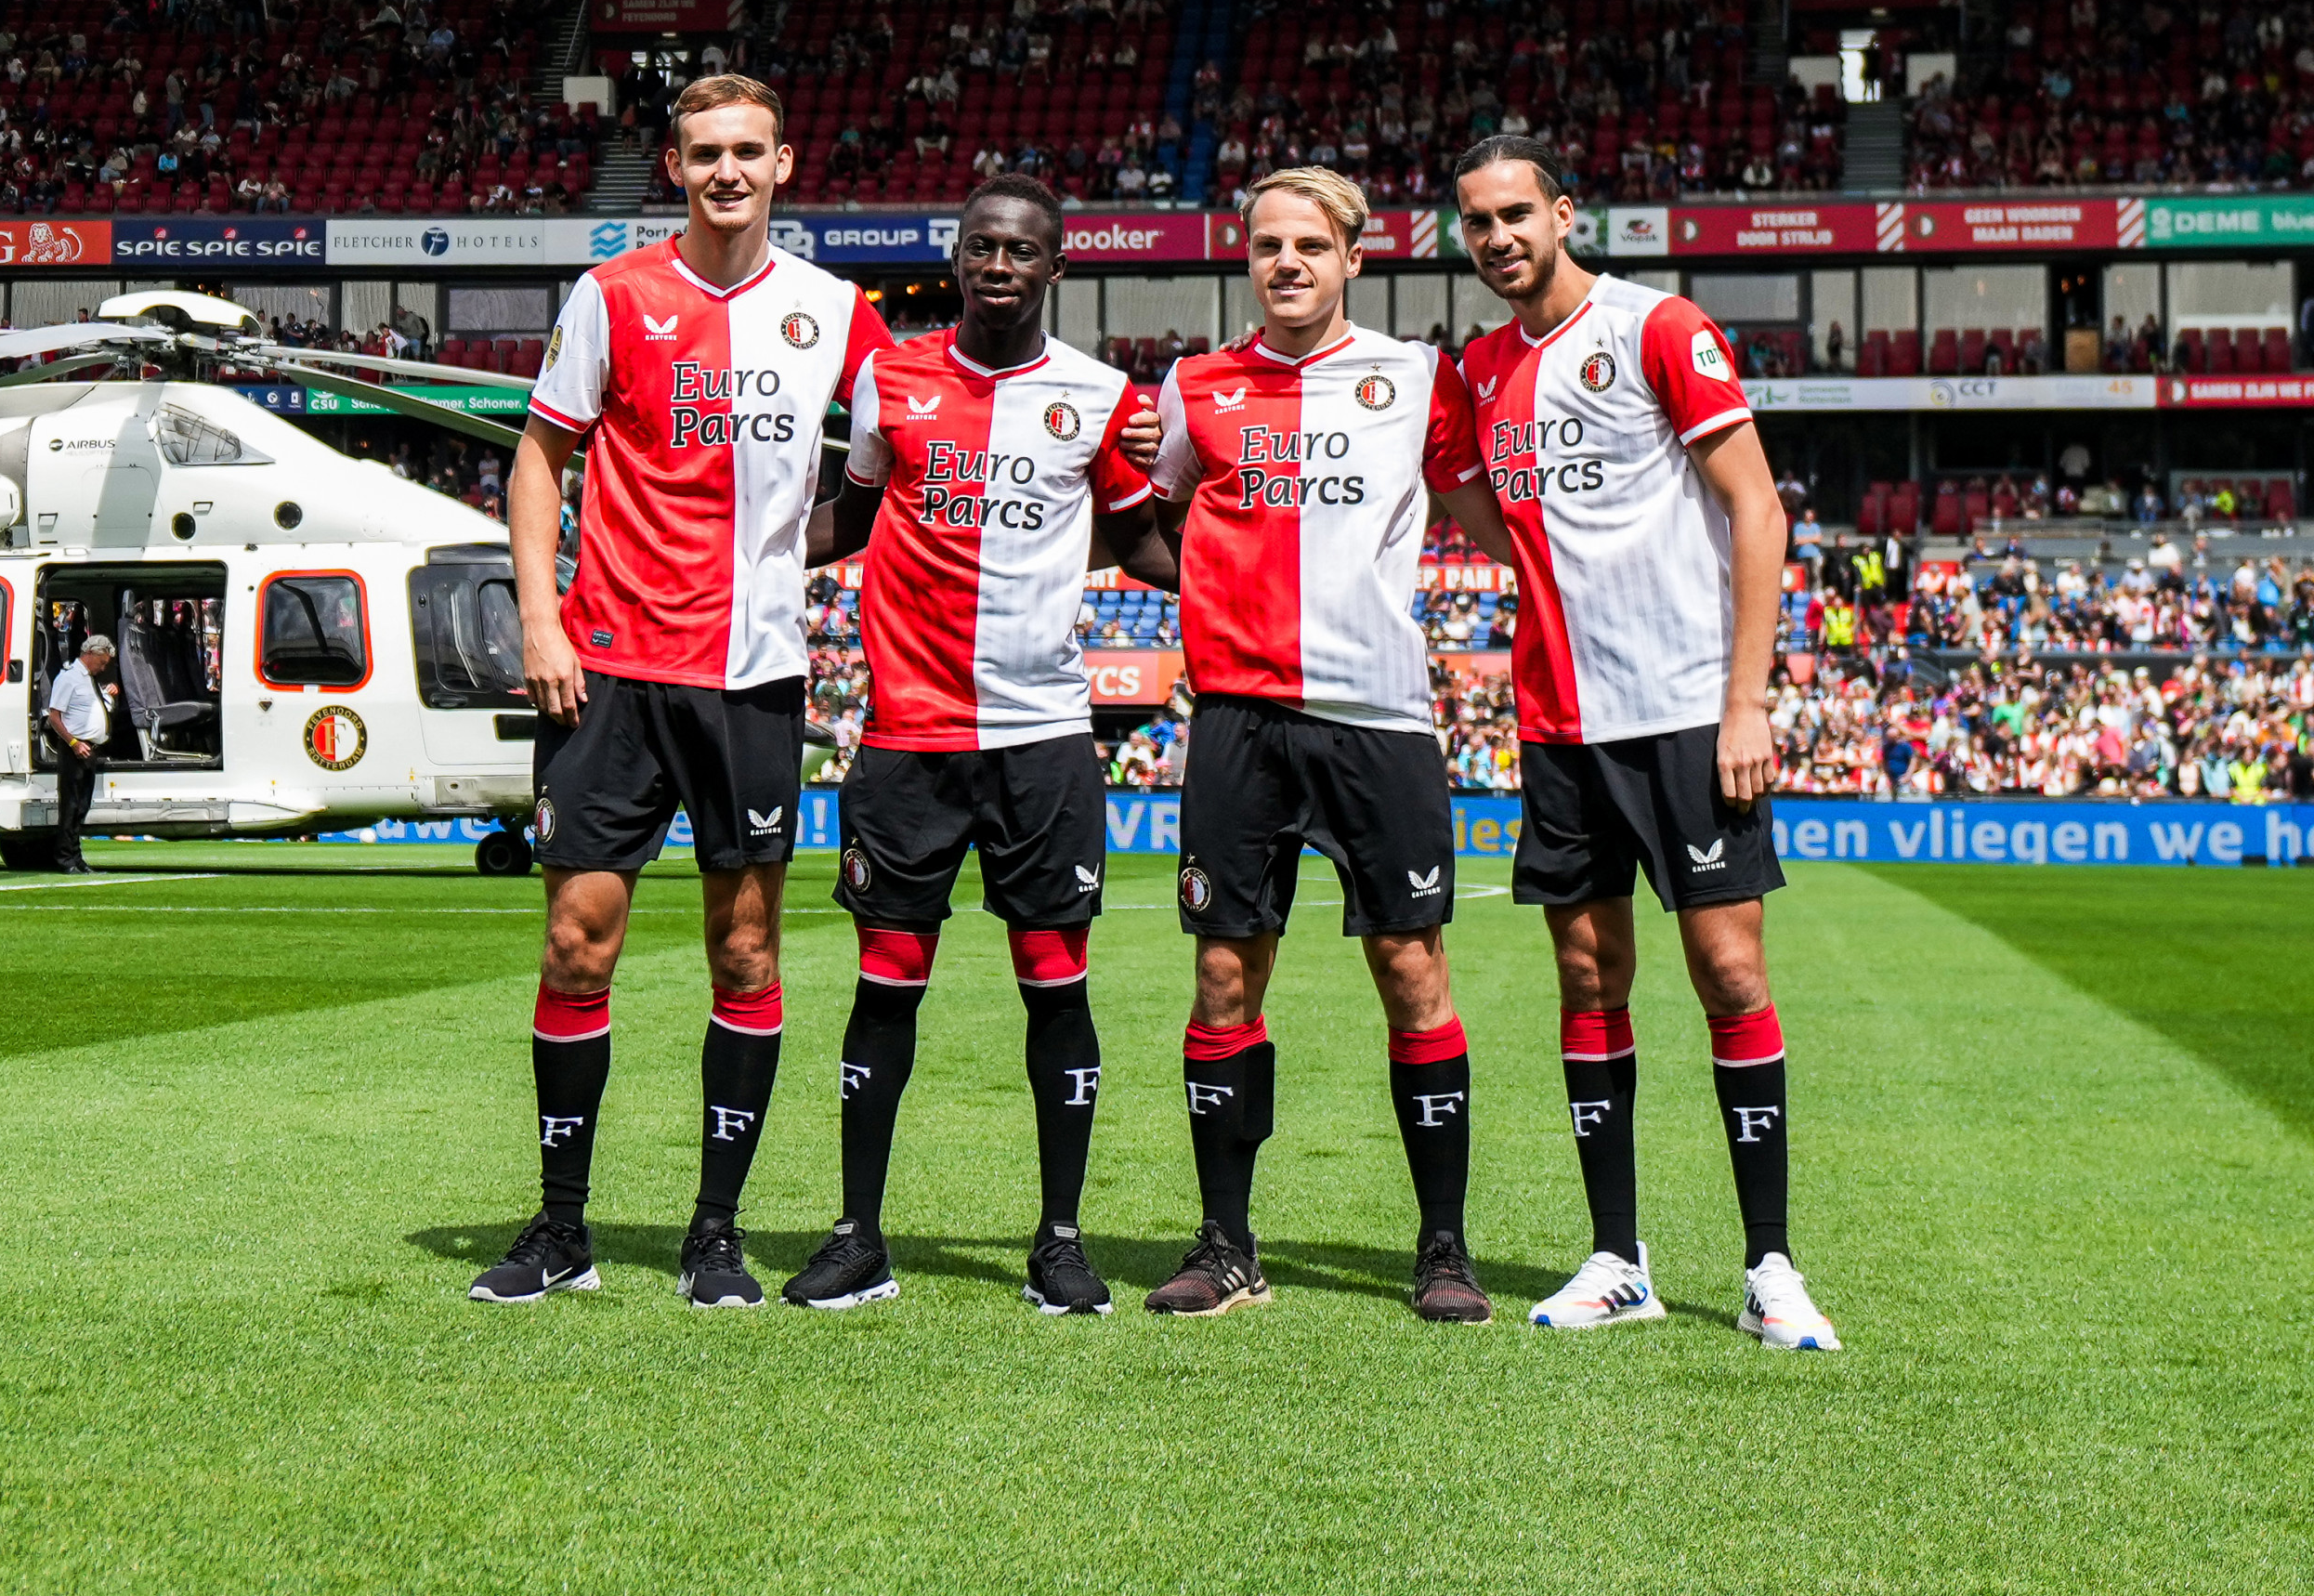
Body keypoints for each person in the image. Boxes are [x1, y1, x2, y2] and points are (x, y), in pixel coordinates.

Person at [471, 72, 888, 1309]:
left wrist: (785, 553)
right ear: (673, 162)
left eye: (747, 151)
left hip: (751, 683)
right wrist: (541, 616)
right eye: (705, 151)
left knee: (746, 951)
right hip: (606, 674)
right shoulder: (612, 297)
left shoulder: (836, 312)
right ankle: (562, 1230)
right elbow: (540, 459)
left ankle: (715, 1233)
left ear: (783, 161)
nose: (726, 171)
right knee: (575, 943)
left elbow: (888, 464)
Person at [1110, 164, 1516, 1324]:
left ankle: (1444, 1247)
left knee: (1412, 972)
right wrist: (1203, 589)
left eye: (1309, 245)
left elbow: (1484, 508)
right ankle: (1226, 1244)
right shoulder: (1195, 387)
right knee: (1227, 972)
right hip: (1237, 720)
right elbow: (1147, 511)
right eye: (1266, 246)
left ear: (1352, 256)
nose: (1286, 263)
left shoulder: (1415, 377)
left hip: (1378, 721)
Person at [1454, 135, 1838, 1352]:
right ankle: (1620, 1257)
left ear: (1564, 212)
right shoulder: (1477, 371)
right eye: (1478, 223)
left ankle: (1770, 1265)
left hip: (1684, 711)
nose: (1501, 237)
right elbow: (1483, 516)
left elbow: (1757, 503)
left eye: (1518, 212)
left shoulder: (1659, 328)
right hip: (1560, 723)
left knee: (1730, 974)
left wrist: (1748, 701)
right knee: (1586, 977)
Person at [784, 175, 1157, 1316]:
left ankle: (1058, 1239)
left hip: (1042, 742)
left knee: (1056, 986)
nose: (1000, 264)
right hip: (907, 738)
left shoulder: (1098, 396)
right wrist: (723, 561)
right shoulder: (888, 376)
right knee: (885, 987)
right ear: (958, 258)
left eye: (1023, 250)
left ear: (1056, 268)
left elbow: (1145, 542)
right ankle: (859, 1236)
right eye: (982, 246)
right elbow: (846, 517)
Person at [45, 634, 115, 874]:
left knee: (81, 806)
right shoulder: (69, 678)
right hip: (75, 749)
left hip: (88, 749)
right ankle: (65, 858)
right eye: (102, 662)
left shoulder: (89, 679)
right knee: (71, 805)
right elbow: (54, 716)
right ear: (90, 655)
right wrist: (73, 742)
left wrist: (108, 696)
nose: (103, 667)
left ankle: (76, 858)